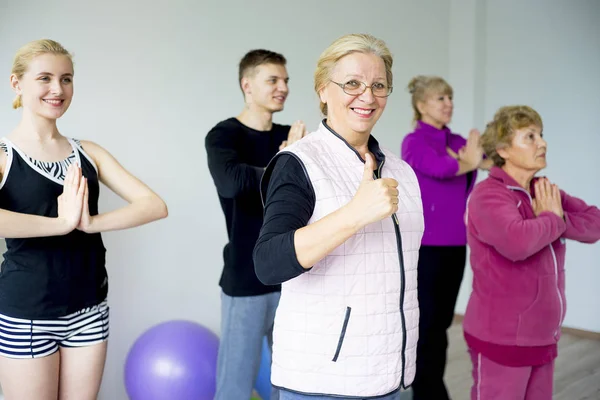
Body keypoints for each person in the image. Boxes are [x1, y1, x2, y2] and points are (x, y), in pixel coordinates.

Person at [253, 33, 424, 399]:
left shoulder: (403, 172)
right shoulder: (298, 162)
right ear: (322, 91)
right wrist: (355, 214)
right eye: (352, 83)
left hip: (392, 374)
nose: (368, 95)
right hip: (323, 382)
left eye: (379, 85)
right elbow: (268, 263)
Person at [0, 39, 168, 400]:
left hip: (89, 309)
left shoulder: (88, 152)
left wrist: (90, 222)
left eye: (66, 79)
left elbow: (154, 205)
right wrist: (58, 224)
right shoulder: (4, 154)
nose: (57, 89)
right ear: (17, 84)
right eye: (44, 78)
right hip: (28, 313)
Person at [463, 105, 600, 399]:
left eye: (541, 134)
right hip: (501, 338)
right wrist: (551, 219)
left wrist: (555, 218)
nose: (543, 142)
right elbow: (517, 243)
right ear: (504, 150)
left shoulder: (545, 191)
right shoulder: (488, 195)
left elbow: (595, 224)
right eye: (530, 136)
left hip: (541, 336)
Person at [205, 49, 306, 399]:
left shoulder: (292, 136)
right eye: (273, 80)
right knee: (234, 386)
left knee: (295, 383)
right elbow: (232, 182)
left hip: (293, 276)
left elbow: (310, 193)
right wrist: (284, 162)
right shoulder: (223, 136)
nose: (283, 87)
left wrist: (285, 161)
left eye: (286, 80)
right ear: (248, 85)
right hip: (245, 279)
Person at [400, 75, 490, 399]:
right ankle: (427, 391)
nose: (448, 104)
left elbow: (478, 163)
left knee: (440, 326)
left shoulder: (456, 140)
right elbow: (440, 168)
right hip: (426, 247)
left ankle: (429, 388)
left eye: (450, 98)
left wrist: (470, 159)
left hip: (455, 244)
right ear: (422, 104)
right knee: (426, 327)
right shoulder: (413, 142)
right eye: (441, 98)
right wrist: (466, 161)